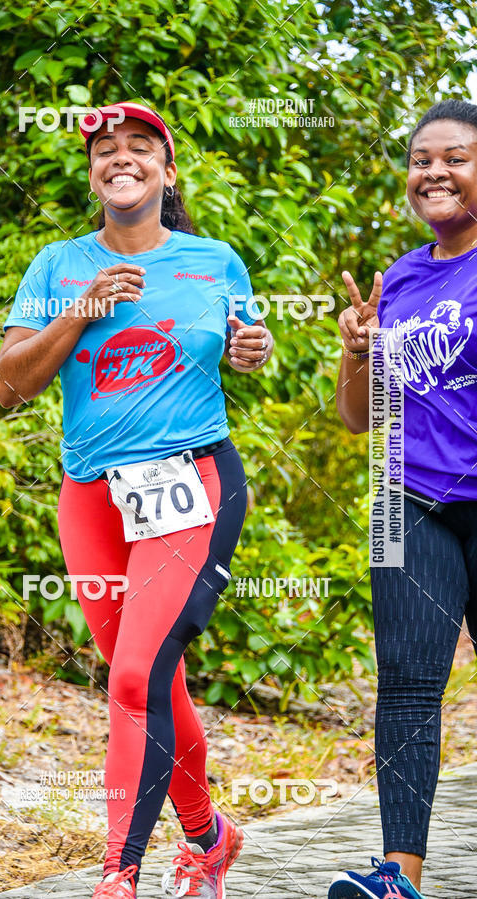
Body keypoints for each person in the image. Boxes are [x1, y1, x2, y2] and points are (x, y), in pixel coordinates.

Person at [0, 101, 273, 899]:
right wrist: (83, 310)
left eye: (140, 148)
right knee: (151, 678)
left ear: (167, 170)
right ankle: (210, 837)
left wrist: (255, 345)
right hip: (92, 499)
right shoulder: (57, 265)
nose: (121, 159)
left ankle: (118, 875)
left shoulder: (214, 260)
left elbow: (247, 342)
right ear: (92, 173)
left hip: (193, 487)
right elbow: (10, 386)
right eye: (105, 150)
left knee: (132, 677)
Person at [329, 98, 477, 899]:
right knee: (408, 683)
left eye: (454, 157)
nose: (435, 172)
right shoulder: (405, 277)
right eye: (422, 159)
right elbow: (360, 416)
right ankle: (399, 878)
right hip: (406, 497)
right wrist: (358, 348)